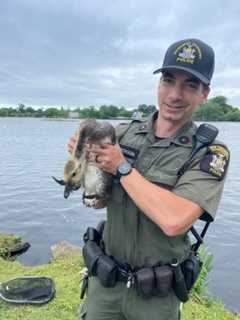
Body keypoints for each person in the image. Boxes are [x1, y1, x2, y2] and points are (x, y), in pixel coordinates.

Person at [67, 38, 230, 320]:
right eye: (168, 80)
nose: (175, 94)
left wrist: (121, 167)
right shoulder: (122, 135)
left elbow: (174, 220)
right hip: (105, 283)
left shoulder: (210, 152)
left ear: (205, 93)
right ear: (159, 85)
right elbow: (98, 201)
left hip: (155, 296)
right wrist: (85, 164)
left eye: (190, 85)